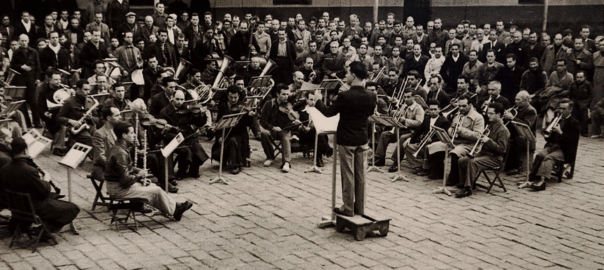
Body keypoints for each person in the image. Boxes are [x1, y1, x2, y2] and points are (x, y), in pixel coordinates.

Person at [308, 61, 376, 217]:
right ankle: (360, 207)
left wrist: (318, 100)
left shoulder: (345, 95)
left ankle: (348, 207)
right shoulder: (372, 95)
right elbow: (369, 112)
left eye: (347, 73)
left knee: (348, 175)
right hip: (362, 139)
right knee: (360, 176)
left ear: (353, 75)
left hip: (346, 139)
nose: (345, 76)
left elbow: (328, 112)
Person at [104, 121, 192, 221]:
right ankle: (175, 210)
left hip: (118, 185)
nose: (134, 135)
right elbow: (125, 179)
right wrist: (139, 176)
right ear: (124, 135)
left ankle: (173, 206)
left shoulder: (119, 148)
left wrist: (139, 171)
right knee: (156, 191)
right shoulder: (120, 153)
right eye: (132, 133)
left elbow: (126, 168)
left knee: (153, 186)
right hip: (118, 189)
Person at [0, 137, 80, 234]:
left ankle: (21, 224)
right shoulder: (30, 171)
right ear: (25, 150)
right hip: (32, 207)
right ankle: (44, 231)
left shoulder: (4, 169)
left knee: (55, 197)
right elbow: (44, 191)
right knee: (73, 208)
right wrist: (46, 180)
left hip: (16, 206)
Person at [455, 102, 510, 198]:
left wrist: (488, 141)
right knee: (462, 160)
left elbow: (502, 150)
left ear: (498, 115)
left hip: (495, 158)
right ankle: (464, 182)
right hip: (484, 154)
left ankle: (468, 189)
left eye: (491, 113)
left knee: (472, 162)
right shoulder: (491, 125)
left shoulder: (503, 130)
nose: (488, 115)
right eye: (488, 113)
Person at [427, 95, 484, 186]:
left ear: (470, 105)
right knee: (434, 146)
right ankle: (438, 171)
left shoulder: (478, 117)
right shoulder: (458, 114)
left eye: (464, 106)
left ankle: (454, 178)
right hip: (456, 142)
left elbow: (478, 136)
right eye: (459, 106)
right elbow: (451, 130)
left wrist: (460, 130)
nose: (461, 108)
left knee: (455, 152)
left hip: (469, 144)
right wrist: (451, 130)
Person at [526, 98, 580, 191]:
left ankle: (542, 181)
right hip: (552, 146)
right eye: (560, 108)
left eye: (564, 109)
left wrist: (560, 132)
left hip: (564, 150)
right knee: (540, 155)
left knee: (549, 158)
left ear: (570, 110)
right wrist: (548, 134)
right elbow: (548, 138)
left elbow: (572, 141)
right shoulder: (556, 119)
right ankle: (532, 177)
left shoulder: (574, 123)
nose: (561, 111)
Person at [159, 89, 209, 179]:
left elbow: (199, 123)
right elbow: (163, 131)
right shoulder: (164, 112)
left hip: (188, 135)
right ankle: (181, 170)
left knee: (197, 146)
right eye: (177, 99)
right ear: (172, 98)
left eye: (182, 99)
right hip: (174, 138)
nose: (180, 102)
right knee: (186, 150)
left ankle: (194, 170)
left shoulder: (188, 109)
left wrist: (200, 114)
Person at [372, 91, 424, 172]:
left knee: (402, 138)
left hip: (412, 132)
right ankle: (380, 158)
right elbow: (399, 117)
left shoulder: (418, 108)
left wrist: (405, 120)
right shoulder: (404, 106)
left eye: (408, 97)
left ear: (414, 97)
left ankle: (396, 162)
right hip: (401, 129)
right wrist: (396, 117)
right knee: (384, 134)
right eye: (405, 97)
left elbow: (419, 123)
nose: (406, 99)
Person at [212, 86, 254, 174]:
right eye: (231, 97)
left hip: (239, 135)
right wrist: (219, 136)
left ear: (239, 96)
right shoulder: (223, 106)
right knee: (220, 149)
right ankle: (227, 159)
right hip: (226, 133)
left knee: (233, 140)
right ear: (227, 96)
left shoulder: (242, 107)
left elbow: (248, 124)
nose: (233, 100)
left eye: (235, 97)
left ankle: (236, 164)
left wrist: (249, 116)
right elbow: (219, 123)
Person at [259, 84, 301, 173]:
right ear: (277, 94)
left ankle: (286, 162)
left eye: (287, 94)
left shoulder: (289, 104)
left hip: (284, 130)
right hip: (272, 130)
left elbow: (291, 120)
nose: (286, 97)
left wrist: (294, 123)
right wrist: (272, 127)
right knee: (264, 133)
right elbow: (262, 120)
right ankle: (270, 157)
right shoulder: (269, 104)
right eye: (283, 94)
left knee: (286, 138)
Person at [404, 100, 451, 176]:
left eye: (435, 109)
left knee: (427, 147)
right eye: (431, 109)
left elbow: (445, 136)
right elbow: (419, 130)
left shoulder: (444, 121)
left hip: (435, 144)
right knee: (406, 146)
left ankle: (426, 168)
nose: (433, 111)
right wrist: (410, 138)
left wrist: (432, 140)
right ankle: (418, 165)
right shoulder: (427, 118)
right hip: (425, 142)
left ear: (439, 109)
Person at [11, 33, 41, 128]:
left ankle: (37, 122)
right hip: (20, 80)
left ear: (28, 41)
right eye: (22, 41)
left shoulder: (34, 52)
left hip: (32, 79)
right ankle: (27, 123)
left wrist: (37, 78)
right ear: (19, 41)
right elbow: (12, 66)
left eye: (25, 40)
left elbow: (38, 66)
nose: (23, 43)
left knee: (34, 102)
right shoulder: (16, 52)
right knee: (22, 102)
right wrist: (21, 67)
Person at [57, 80, 99, 147]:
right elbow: (59, 118)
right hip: (76, 130)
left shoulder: (90, 101)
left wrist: (90, 118)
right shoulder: (69, 102)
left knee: (101, 138)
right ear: (78, 89)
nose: (88, 92)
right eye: (85, 90)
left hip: (89, 128)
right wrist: (70, 121)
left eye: (89, 90)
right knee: (90, 140)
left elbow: (97, 119)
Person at [37, 71, 70, 156]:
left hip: (64, 114)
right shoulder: (44, 92)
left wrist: (70, 94)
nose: (59, 81)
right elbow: (39, 107)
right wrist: (45, 113)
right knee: (62, 126)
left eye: (59, 79)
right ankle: (58, 148)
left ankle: (70, 145)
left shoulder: (63, 89)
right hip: (51, 117)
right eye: (56, 79)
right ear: (49, 80)